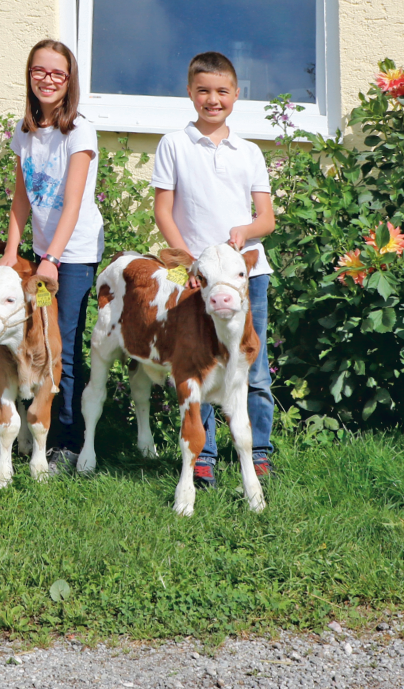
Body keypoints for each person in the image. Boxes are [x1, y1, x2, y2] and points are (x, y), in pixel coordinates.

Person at [152, 51, 276, 487]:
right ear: (190, 93)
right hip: (200, 281)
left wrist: (244, 230)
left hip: (247, 276)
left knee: (252, 367)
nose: (212, 99)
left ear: (236, 95)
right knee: (199, 364)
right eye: (203, 91)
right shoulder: (174, 145)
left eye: (222, 91)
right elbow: (163, 210)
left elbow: (267, 218)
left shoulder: (249, 151)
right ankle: (202, 454)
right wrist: (186, 260)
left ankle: (258, 450)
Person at [0, 39, 104, 474]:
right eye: (40, 71)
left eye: (58, 73)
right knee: (35, 339)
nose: (48, 79)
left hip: (72, 255)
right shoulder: (25, 132)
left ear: (69, 81)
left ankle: (66, 442)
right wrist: (9, 253)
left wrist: (53, 259)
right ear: (29, 75)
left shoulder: (79, 130)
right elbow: (21, 198)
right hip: (43, 253)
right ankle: (38, 429)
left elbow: (73, 202)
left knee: (61, 344)